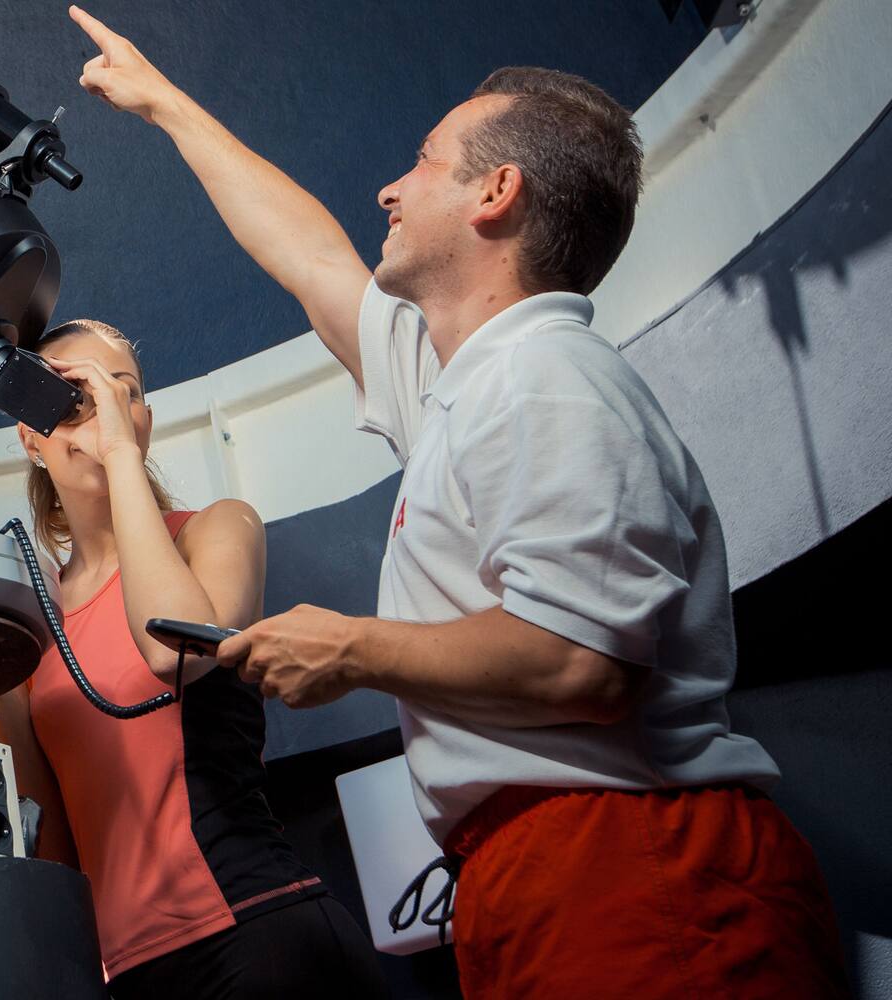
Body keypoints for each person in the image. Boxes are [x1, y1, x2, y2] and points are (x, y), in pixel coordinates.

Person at [67, 6, 847, 997]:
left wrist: (350, 647)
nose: (388, 189)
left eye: (422, 164)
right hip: (527, 876)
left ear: (494, 191)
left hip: (633, 865)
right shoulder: (460, 384)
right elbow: (310, 258)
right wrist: (163, 103)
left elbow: (582, 661)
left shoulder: (546, 376)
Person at [0, 318, 385, 998]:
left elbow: (169, 644)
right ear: (30, 434)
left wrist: (118, 458)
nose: (111, 406)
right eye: (79, 393)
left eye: (128, 392)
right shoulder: (37, 622)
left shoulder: (216, 529)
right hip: (130, 969)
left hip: (256, 931)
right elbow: (49, 840)